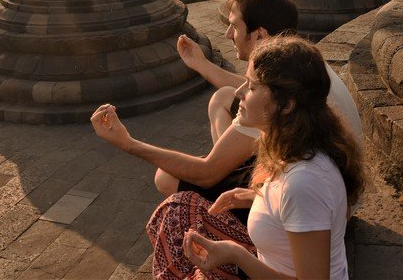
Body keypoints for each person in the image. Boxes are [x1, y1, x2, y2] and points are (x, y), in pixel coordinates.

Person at [91, 0, 363, 219]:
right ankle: (229, 160)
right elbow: (243, 88)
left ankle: (227, 168)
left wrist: (128, 144)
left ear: (259, 35)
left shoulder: (271, 103)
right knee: (222, 98)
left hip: (310, 211)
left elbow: (206, 173)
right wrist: (200, 64)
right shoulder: (299, 62)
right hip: (335, 196)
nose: (227, 34)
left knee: (165, 176)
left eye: (234, 26)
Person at [148, 36, 365, 280]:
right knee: (179, 209)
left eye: (251, 87)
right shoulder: (303, 146)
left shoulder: (303, 181)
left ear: (286, 106)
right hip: (273, 261)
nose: (239, 92)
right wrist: (259, 199)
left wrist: (237, 255)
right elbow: (333, 212)